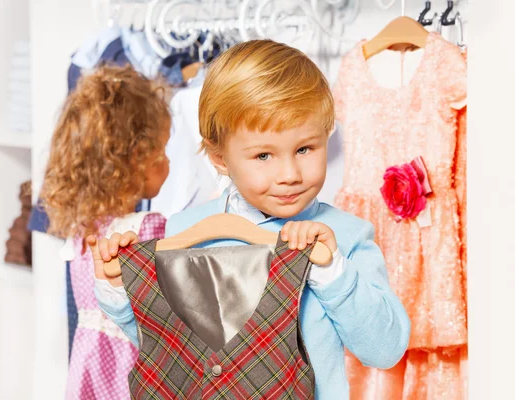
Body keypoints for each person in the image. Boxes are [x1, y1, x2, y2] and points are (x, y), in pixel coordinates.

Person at [91, 40, 410, 399]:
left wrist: (331, 273)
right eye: (263, 155)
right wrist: (119, 290)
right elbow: (172, 354)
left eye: (305, 149)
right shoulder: (184, 231)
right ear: (220, 158)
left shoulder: (345, 237)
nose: (290, 173)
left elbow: (385, 349)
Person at [40, 65, 171, 399]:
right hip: (127, 361)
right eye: (162, 151)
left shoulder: (82, 229)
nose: (168, 162)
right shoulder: (147, 228)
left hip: (87, 357)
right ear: (138, 159)